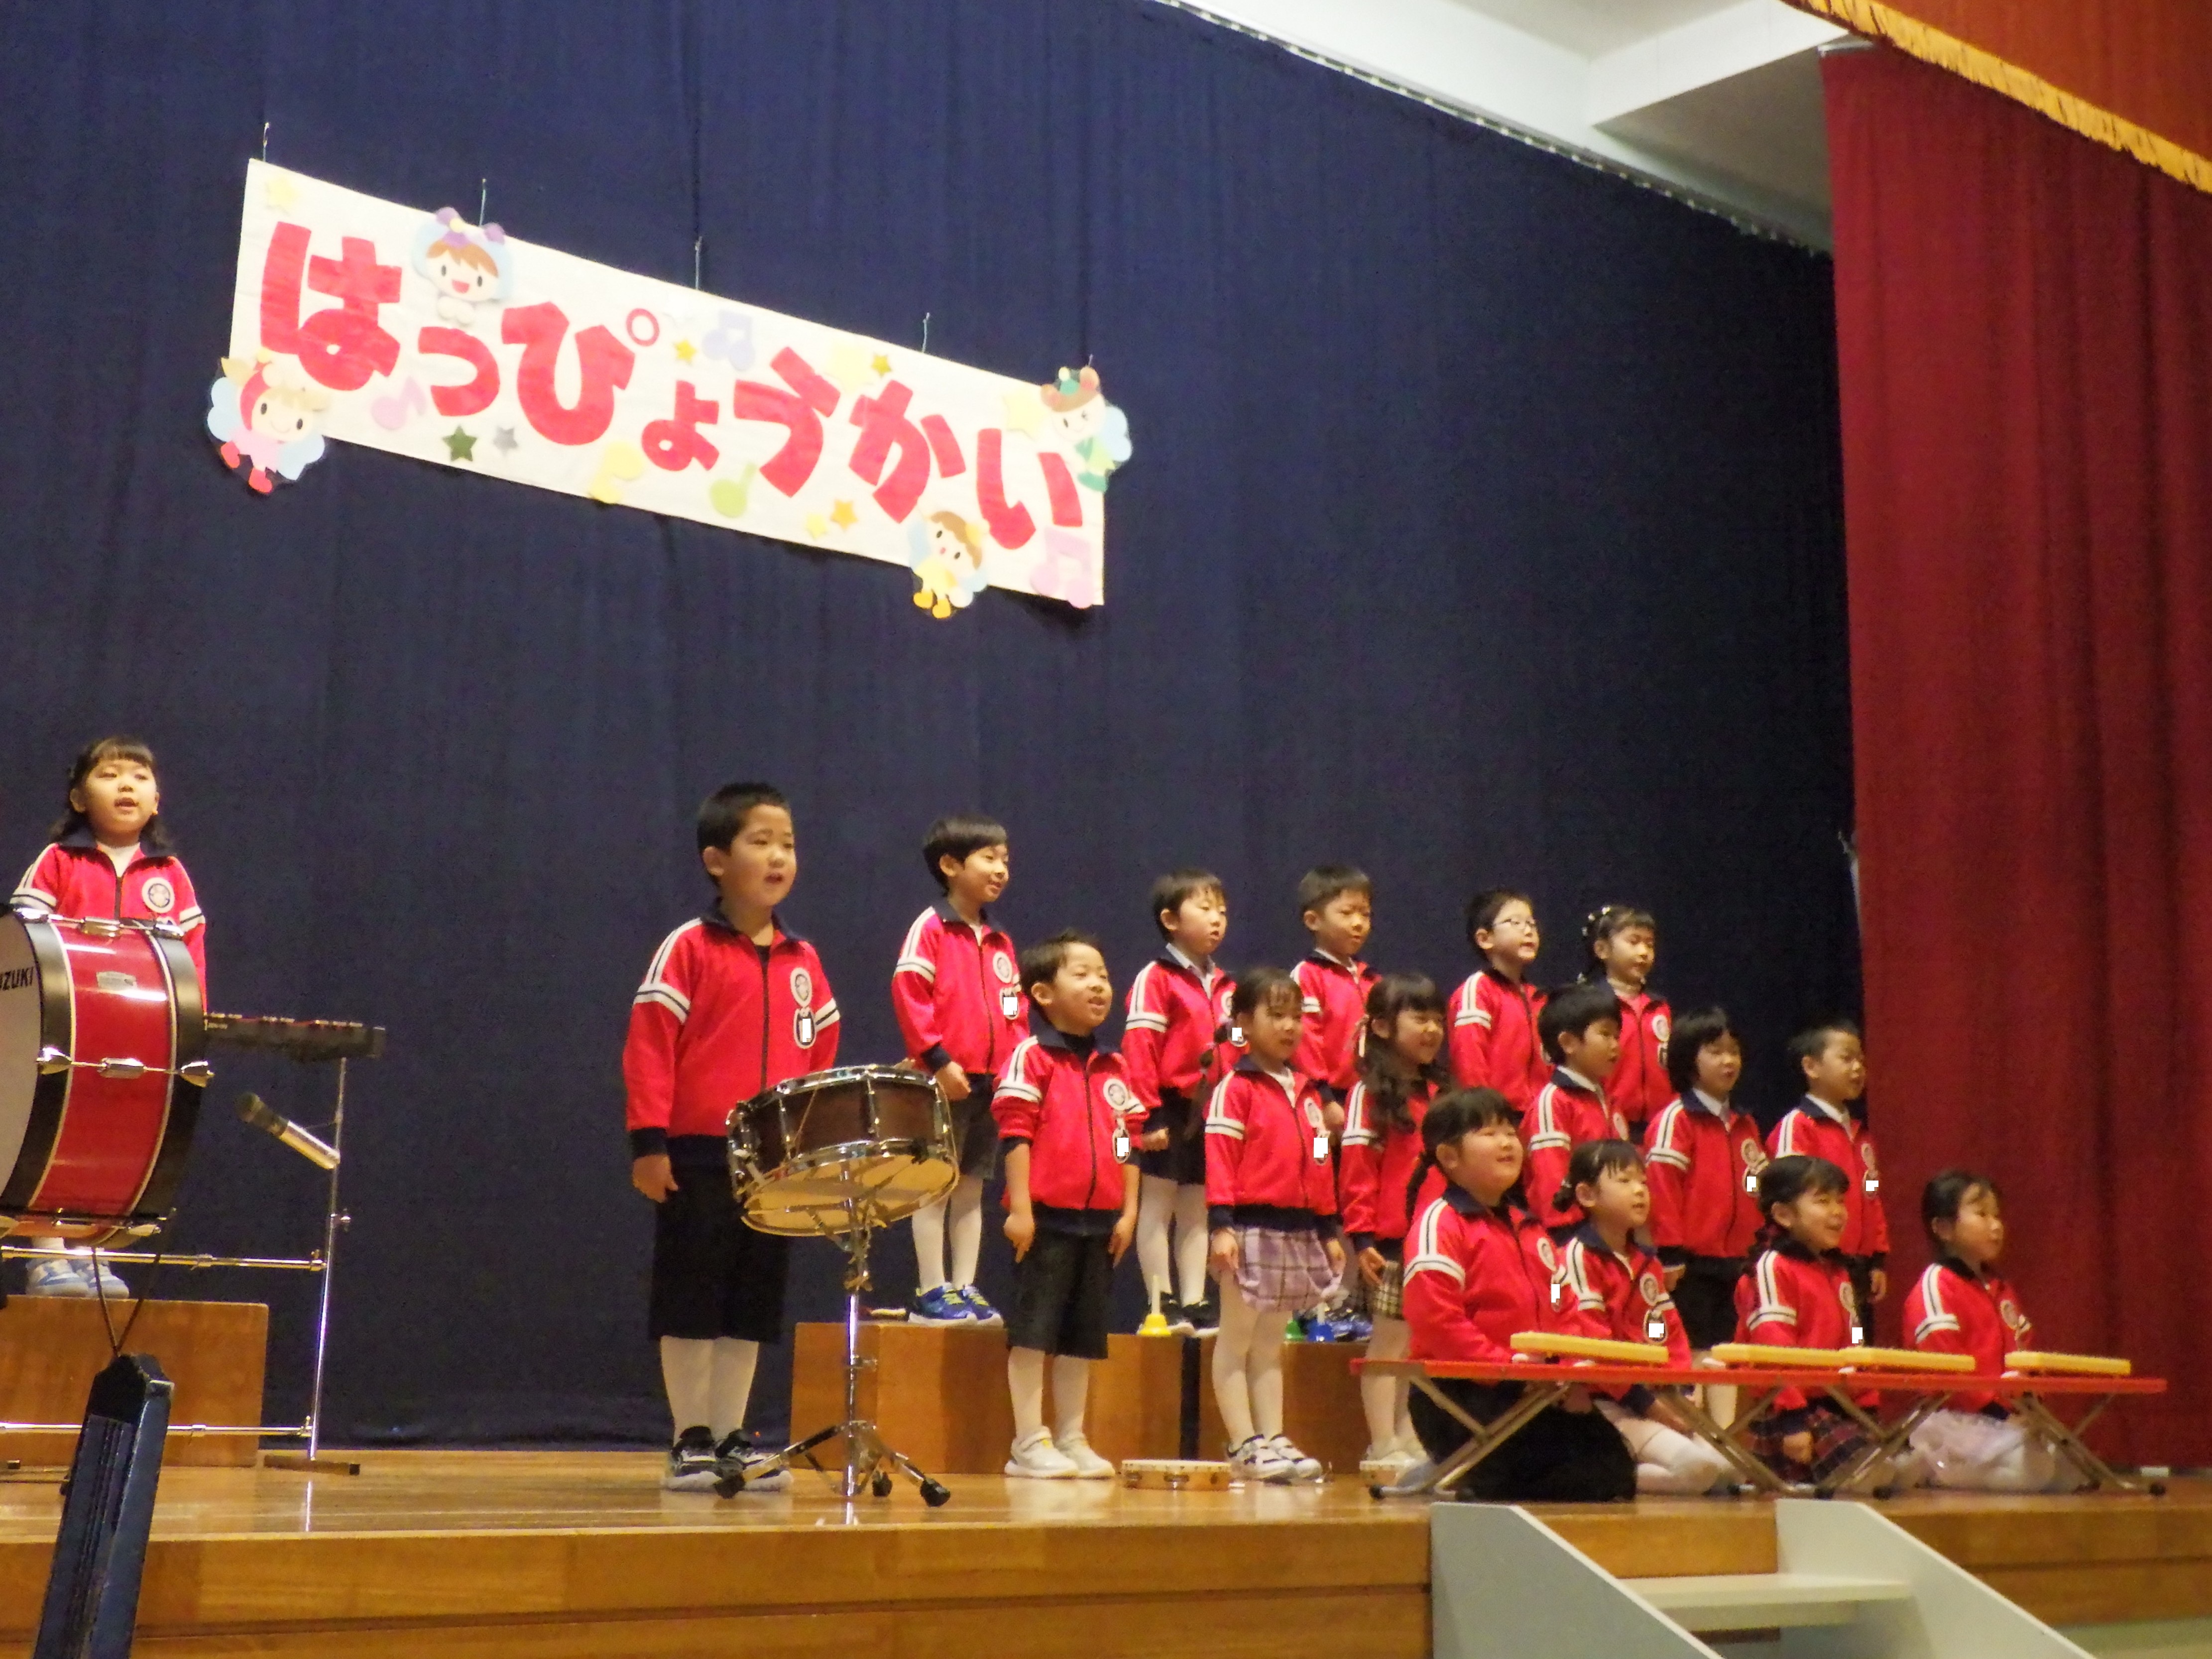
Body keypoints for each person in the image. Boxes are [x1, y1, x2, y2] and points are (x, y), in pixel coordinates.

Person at [623, 781, 840, 1492]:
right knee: (692, 1296)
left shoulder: (805, 960)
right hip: (696, 1153)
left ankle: (730, 1436)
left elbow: (820, 1051)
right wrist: (649, 1141)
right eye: (761, 841)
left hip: (772, 1164)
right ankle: (688, 1437)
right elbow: (650, 1045)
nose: (778, 857)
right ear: (717, 860)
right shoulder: (688, 947)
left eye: (788, 844)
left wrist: (803, 1144)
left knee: (751, 1302)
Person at [12, 736, 208, 1300]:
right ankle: (46, 1254)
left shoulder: (170, 874)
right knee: (50, 1135)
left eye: (140, 777)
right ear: (79, 797)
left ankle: (93, 1252)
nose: (127, 785)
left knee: (113, 1141)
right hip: (66, 1029)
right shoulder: (58, 861)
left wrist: (192, 1021)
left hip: (140, 1037)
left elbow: (191, 954)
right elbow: (22, 940)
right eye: (110, 774)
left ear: (157, 800)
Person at [1400, 1088, 1636, 1502]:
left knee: (1611, 1472)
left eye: (1510, 1131)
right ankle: (1448, 1471)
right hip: (1462, 1394)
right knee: (1525, 1479)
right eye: (1489, 1133)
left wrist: (1570, 1372)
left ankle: (1451, 1475)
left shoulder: (1529, 1228)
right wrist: (1506, 1367)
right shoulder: (1439, 1224)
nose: (1508, 1142)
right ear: (1449, 1157)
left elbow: (1562, 1303)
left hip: (1539, 1390)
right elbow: (1437, 1321)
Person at [995, 930, 1141, 1479]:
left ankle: (1072, 1436)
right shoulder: (1031, 1057)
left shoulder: (1115, 1065)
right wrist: (1021, 1209)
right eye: (1081, 974)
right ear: (1042, 993)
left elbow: (1127, 1142)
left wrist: (1129, 1211)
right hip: (1047, 1220)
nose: (1098, 984)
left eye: (1102, 974)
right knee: (1034, 1332)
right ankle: (1028, 1441)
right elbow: (1016, 1132)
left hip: (1100, 1224)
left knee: (1082, 1338)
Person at [1204, 967, 1344, 1483]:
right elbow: (1221, 1158)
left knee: (1271, 1343)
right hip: (1249, 1227)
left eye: (1296, 1016)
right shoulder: (1235, 1088)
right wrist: (1222, 1225)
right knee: (1237, 1337)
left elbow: (1322, 1159)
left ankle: (1273, 1436)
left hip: (1298, 1228)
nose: (1289, 1026)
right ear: (1243, 1021)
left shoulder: (1308, 1093)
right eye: (1276, 1015)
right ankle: (1243, 1443)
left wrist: (1327, 1227)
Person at [892, 814, 1026, 1324]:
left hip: (992, 1083)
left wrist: (1015, 1068)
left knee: (972, 1186)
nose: (1001, 869)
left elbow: (1014, 1010)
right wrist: (938, 1060)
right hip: (942, 1081)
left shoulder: (1000, 940)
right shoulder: (930, 928)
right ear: (950, 865)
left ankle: (965, 1286)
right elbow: (910, 994)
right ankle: (932, 1288)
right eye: (989, 858)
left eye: (1005, 860)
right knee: (934, 1186)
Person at [1734, 1155, 1923, 1491]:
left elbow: (1854, 1340)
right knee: (1872, 1472)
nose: (1838, 1212)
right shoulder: (1773, 1267)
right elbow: (1773, 1346)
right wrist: (1792, 1420)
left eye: (1840, 1201)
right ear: (1783, 1215)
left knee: (1908, 1467)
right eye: (1823, 1201)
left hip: (1838, 1406)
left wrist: (1867, 1406)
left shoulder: (1839, 1272)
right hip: (1789, 1411)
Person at [1555, 1140, 1733, 1494]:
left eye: (1643, 1182)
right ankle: (1601, 1475)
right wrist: (1650, 1405)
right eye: (1624, 1181)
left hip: (1654, 1398)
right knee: (1698, 1471)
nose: (1639, 1191)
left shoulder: (1647, 1261)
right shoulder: (1577, 1257)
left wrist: (1680, 1389)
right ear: (1587, 1195)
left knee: (1731, 1472)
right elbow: (1594, 1345)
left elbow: (1667, 1330)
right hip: (1607, 1402)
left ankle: (1624, 1464)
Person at [1903, 1171, 2080, 1491]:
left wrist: (2030, 1406)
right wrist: (1997, 1413)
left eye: (1997, 1216)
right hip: (1955, 1419)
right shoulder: (1937, 1284)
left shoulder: (2000, 1288)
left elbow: (2022, 1352)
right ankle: (1930, 1468)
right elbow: (1946, 1368)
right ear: (1943, 1228)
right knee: (2034, 1471)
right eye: (1982, 1215)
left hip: (2004, 1417)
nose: (1996, 1226)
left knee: (2070, 1467)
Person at [1338, 972, 1449, 1477]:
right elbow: (1357, 1169)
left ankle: (1407, 1434)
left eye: (1437, 1020)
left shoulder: (1441, 1093)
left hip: (1437, 1240)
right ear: (1382, 1026)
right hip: (1391, 1239)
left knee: (1416, 1344)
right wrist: (1361, 1236)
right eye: (1419, 1018)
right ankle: (1381, 1442)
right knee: (1388, 1342)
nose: (1432, 1029)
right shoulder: (1369, 1094)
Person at [1122, 868, 1239, 1334]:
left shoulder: (1227, 985)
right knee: (1157, 1205)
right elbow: (1140, 1047)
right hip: (1166, 1106)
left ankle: (1194, 1298)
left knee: (1196, 1208)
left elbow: (1237, 1046)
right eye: (1204, 909)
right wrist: (1146, 1113)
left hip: (1210, 1111)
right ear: (1170, 920)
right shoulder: (1156, 978)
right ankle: (1160, 1300)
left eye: (1222, 911)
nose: (1216, 920)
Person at [1643, 1007, 1765, 1368]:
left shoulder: (1746, 1124)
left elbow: (1753, 1184)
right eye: (1715, 1052)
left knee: (1729, 1358)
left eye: (1734, 1052)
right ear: (1687, 1060)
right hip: (1690, 1268)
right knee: (1693, 1357)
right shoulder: (1676, 1120)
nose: (1728, 1061)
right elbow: (1663, 1189)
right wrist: (1670, 1253)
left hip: (1738, 1264)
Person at [1768, 1020, 1888, 1326]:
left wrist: (1877, 1257)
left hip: (1858, 1265)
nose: (1858, 1068)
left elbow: (1871, 1193)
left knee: (1857, 1337)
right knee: (1820, 1333)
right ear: (1811, 1067)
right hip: (1814, 1262)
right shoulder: (1799, 1126)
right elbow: (1789, 1193)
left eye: (1861, 1060)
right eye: (1846, 1058)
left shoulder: (1862, 1136)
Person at [1521, 980, 1628, 1236]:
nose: (1615, 1045)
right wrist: (1569, 1235)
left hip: (1610, 1233)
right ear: (1568, 1042)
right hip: (1569, 1238)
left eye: (1617, 1036)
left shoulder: (1608, 1101)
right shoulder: (1553, 1102)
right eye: (1605, 1034)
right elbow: (1552, 1182)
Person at [1446, 890, 1548, 1112]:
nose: (1528, 931)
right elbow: (1469, 1060)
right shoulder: (1479, 990)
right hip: (1494, 1116)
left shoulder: (1539, 998)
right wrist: (1484, 1113)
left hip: (1536, 1118)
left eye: (1531, 924)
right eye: (1515, 923)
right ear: (1485, 939)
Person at [1290, 865, 1377, 1123]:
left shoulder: (1372, 978)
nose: (1358, 923)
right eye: (1347, 913)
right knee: (1322, 1147)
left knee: (1359, 1150)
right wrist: (1324, 1098)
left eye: (1365, 914)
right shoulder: (1307, 976)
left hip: (1369, 1096)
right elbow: (1305, 1040)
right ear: (1313, 921)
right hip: (1326, 1099)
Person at [1584, 906, 1670, 1140]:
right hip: (1608, 1124)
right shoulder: (1591, 1004)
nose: (1644, 952)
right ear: (1602, 950)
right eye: (1634, 942)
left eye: (1650, 944)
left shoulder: (1659, 1006)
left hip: (1658, 1127)